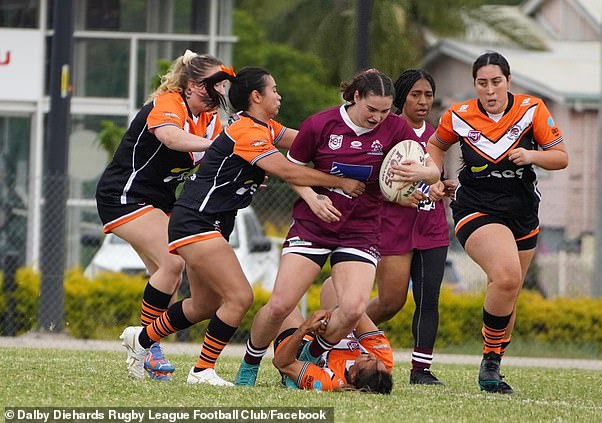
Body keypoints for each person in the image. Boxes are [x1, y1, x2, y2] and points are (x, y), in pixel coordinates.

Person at [119, 66, 366, 386]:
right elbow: (287, 170)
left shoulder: (266, 127)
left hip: (211, 221)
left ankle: (140, 340)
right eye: (274, 89)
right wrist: (338, 181)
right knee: (239, 298)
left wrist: (359, 131)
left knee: (205, 304)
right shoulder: (246, 131)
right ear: (256, 96)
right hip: (196, 219)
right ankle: (202, 370)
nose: (279, 95)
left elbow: (310, 143)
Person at [235, 69, 440, 386]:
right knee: (279, 305)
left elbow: (432, 171)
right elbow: (293, 172)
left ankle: (308, 358)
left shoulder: (396, 128)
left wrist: (419, 174)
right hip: (313, 225)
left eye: (385, 111)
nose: (378, 118)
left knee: (354, 307)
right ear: (356, 96)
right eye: (372, 109)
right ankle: (249, 366)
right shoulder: (320, 124)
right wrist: (313, 198)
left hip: (360, 229)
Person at [426, 51, 568, 394]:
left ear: (508, 81)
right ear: (474, 84)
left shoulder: (531, 109)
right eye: (482, 83)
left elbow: (560, 157)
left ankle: (494, 362)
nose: (489, 90)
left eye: (496, 82)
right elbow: (435, 144)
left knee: (509, 289)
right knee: (506, 277)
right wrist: (433, 177)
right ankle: (488, 364)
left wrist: (532, 155)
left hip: (522, 212)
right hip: (476, 207)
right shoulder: (459, 115)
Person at [95, 50, 233, 380]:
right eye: (211, 85)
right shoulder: (170, 102)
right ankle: (147, 345)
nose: (218, 93)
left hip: (159, 200)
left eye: (222, 86)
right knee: (173, 262)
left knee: (165, 270)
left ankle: (142, 357)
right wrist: (214, 145)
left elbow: (229, 147)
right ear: (191, 85)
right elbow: (171, 137)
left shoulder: (210, 118)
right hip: (125, 195)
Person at [364, 69, 453, 385]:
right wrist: (399, 198)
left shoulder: (436, 136)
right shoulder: (386, 130)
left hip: (431, 226)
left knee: (429, 298)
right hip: (394, 226)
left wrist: (443, 188)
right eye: (416, 94)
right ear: (401, 97)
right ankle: (339, 330)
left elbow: (434, 181)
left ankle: (421, 370)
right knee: (391, 301)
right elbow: (376, 180)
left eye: (428, 95)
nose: (423, 101)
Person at [272, 278, 393, 394]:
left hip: (299, 354)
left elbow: (281, 363)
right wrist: (331, 315)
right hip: (331, 331)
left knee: (280, 306)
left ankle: (254, 366)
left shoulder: (329, 382)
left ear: (353, 376)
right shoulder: (382, 362)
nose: (372, 355)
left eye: (368, 359)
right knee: (334, 284)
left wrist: (304, 328)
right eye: (376, 359)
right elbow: (357, 313)